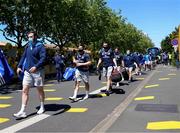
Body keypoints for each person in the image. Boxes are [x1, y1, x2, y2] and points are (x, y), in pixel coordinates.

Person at [13, 31, 46, 118]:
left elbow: (43, 58)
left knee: (40, 90)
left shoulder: (40, 46)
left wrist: (36, 66)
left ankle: (42, 107)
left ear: (35, 37)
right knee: (24, 90)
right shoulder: (28, 46)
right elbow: (24, 56)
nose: (29, 38)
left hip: (38, 72)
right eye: (28, 37)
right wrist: (19, 66)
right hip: (27, 72)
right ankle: (22, 111)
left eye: (31, 36)